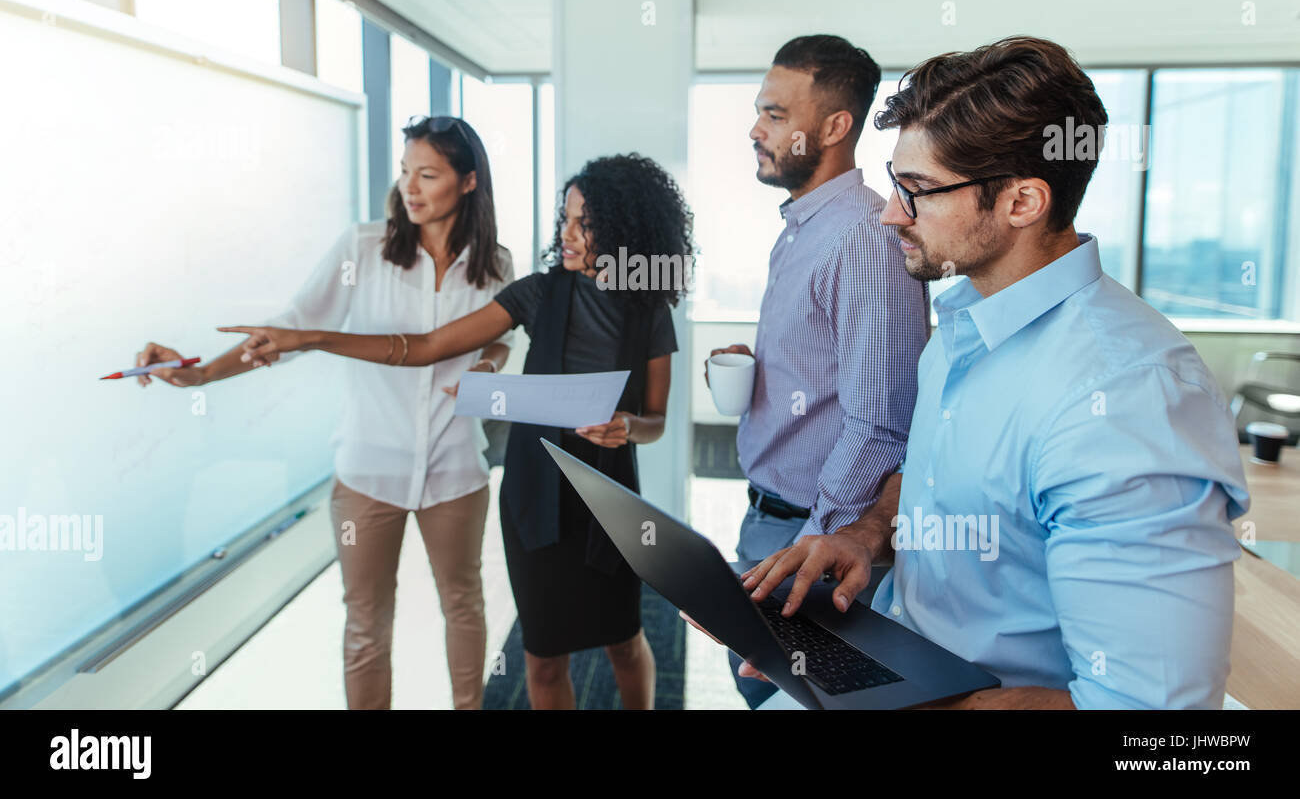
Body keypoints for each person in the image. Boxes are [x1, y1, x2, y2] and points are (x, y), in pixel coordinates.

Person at [731, 36, 1251, 708]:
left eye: (916, 191)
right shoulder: (964, 325)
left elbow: (1151, 720)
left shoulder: (1127, 400)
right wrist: (865, 535)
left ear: (1022, 202)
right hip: (892, 655)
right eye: (894, 184)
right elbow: (941, 485)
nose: (891, 213)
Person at [221, 153, 695, 710]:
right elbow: (423, 348)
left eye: (584, 223)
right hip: (534, 494)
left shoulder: (647, 310)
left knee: (623, 640)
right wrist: (311, 338)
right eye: (564, 219)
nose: (566, 233)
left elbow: (657, 421)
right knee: (541, 660)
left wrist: (628, 427)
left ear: (623, 229)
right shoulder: (537, 293)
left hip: (610, 499)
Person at [138, 115, 514, 709]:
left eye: (429, 175)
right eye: (405, 173)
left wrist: (489, 365)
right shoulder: (362, 249)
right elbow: (292, 328)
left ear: (468, 183)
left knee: (463, 605)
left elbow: (499, 337)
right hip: (367, 471)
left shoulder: (495, 263)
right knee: (367, 623)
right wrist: (203, 373)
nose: (411, 188)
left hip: (455, 468)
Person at [704, 34, 929, 707]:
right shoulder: (803, 227)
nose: (755, 128)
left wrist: (806, 552)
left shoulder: (862, 236)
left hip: (814, 537)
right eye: (758, 111)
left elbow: (881, 425)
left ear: (834, 127)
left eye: (774, 113)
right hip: (774, 522)